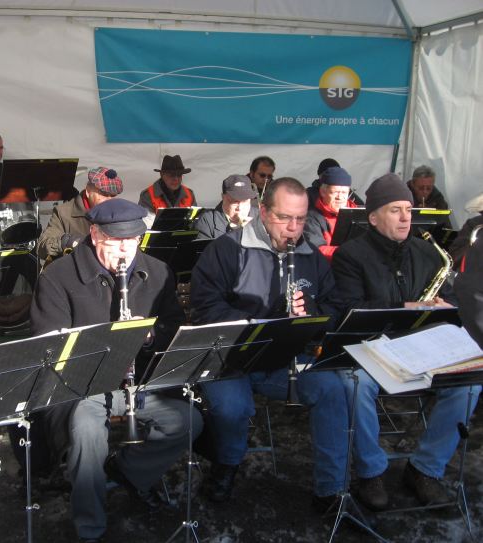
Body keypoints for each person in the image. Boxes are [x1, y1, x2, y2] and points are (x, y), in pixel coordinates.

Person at [31, 198, 202, 542]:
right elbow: (47, 345)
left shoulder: (157, 271)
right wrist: (104, 341)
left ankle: (128, 470)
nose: (125, 250)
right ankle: (90, 526)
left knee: (188, 421)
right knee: (86, 431)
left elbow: (172, 326)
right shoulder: (58, 277)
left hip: (141, 380)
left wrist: (149, 334)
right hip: (82, 385)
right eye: (115, 241)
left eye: (132, 240)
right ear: (94, 234)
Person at [190, 177, 349, 510]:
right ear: (263, 212)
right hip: (231, 359)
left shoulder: (311, 256)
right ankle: (226, 464)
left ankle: (330, 488)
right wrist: (263, 323)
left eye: (301, 219)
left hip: (285, 360)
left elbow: (335, 308)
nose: (293, 228)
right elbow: (205, 308)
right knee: (233, 408)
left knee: (333, 388)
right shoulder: (226, 249)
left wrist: (312, 314)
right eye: (284, 217)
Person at [331, 173, 481, 510]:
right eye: (395, 210)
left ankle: (425, 468)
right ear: (373, 218)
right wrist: (404, 307)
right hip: (371, 348)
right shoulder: (349, 255)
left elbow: (451, 297)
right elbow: (349, 309)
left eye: (408, 210)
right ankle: (370, 471)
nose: (405, 218)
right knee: (352, 383)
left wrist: (446, 305)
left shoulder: (428, 252)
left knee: (470, 383)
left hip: (421, 349)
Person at [37, 166, 123, 261]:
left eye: (113, 195)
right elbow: (42, 247)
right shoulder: (64, 213)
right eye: (104, 194)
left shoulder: (120, 211)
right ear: (88, 192)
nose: (109, 200)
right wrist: (65, 241)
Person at [303, 166, 358, 261]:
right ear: (323, 192)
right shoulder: (312, 217)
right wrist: (349, 253)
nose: (340, 197)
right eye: (335, 192)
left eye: (344, 193)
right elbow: (317, 250)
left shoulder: (358, 215)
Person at [194, 174, 257, 240]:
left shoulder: (259, 216)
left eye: (245, 201)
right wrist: (238, 232)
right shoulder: (207, 221)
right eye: (234, 201)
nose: (240, 208)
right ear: (223, 197)